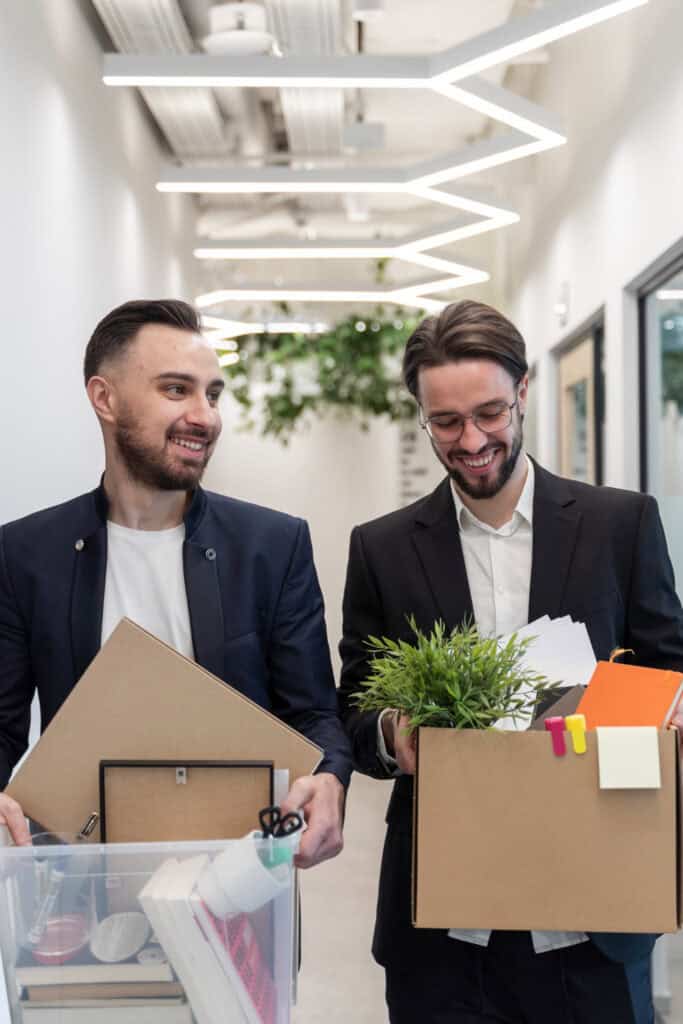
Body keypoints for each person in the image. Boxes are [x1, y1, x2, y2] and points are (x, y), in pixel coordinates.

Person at [339, 299, 683, 1023]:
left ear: (523, 392)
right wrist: (389, 734)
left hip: (592, 911)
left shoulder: (619, 524)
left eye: (489, 413)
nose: (470, 440)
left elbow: (667, 666)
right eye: (445, 422)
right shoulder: (382, 547)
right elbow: (354, 705)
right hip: (442, 921)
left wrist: (668, 708)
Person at [0, 298, 351, 865]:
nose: (205, 415)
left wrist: (331, 777)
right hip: (78, 877)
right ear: (104, 398)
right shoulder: (26, 555)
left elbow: (313, 713)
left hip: (240, 880)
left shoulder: (271, 546)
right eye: (175, 390)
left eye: (212, 394)